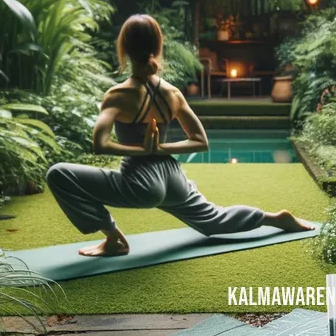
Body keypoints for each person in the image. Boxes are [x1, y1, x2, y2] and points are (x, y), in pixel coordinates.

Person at [46, 14, 314, 257]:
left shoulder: (119, 95)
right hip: (173, 177)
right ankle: (275, 219)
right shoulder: (171, 93)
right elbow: (201, 141)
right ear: (157, 47)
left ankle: (113, 237)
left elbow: (99, 144)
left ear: (124, 48)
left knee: (58, 173)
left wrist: (144, 151)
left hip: (140, 182)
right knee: (213, 219)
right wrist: (162, 149)